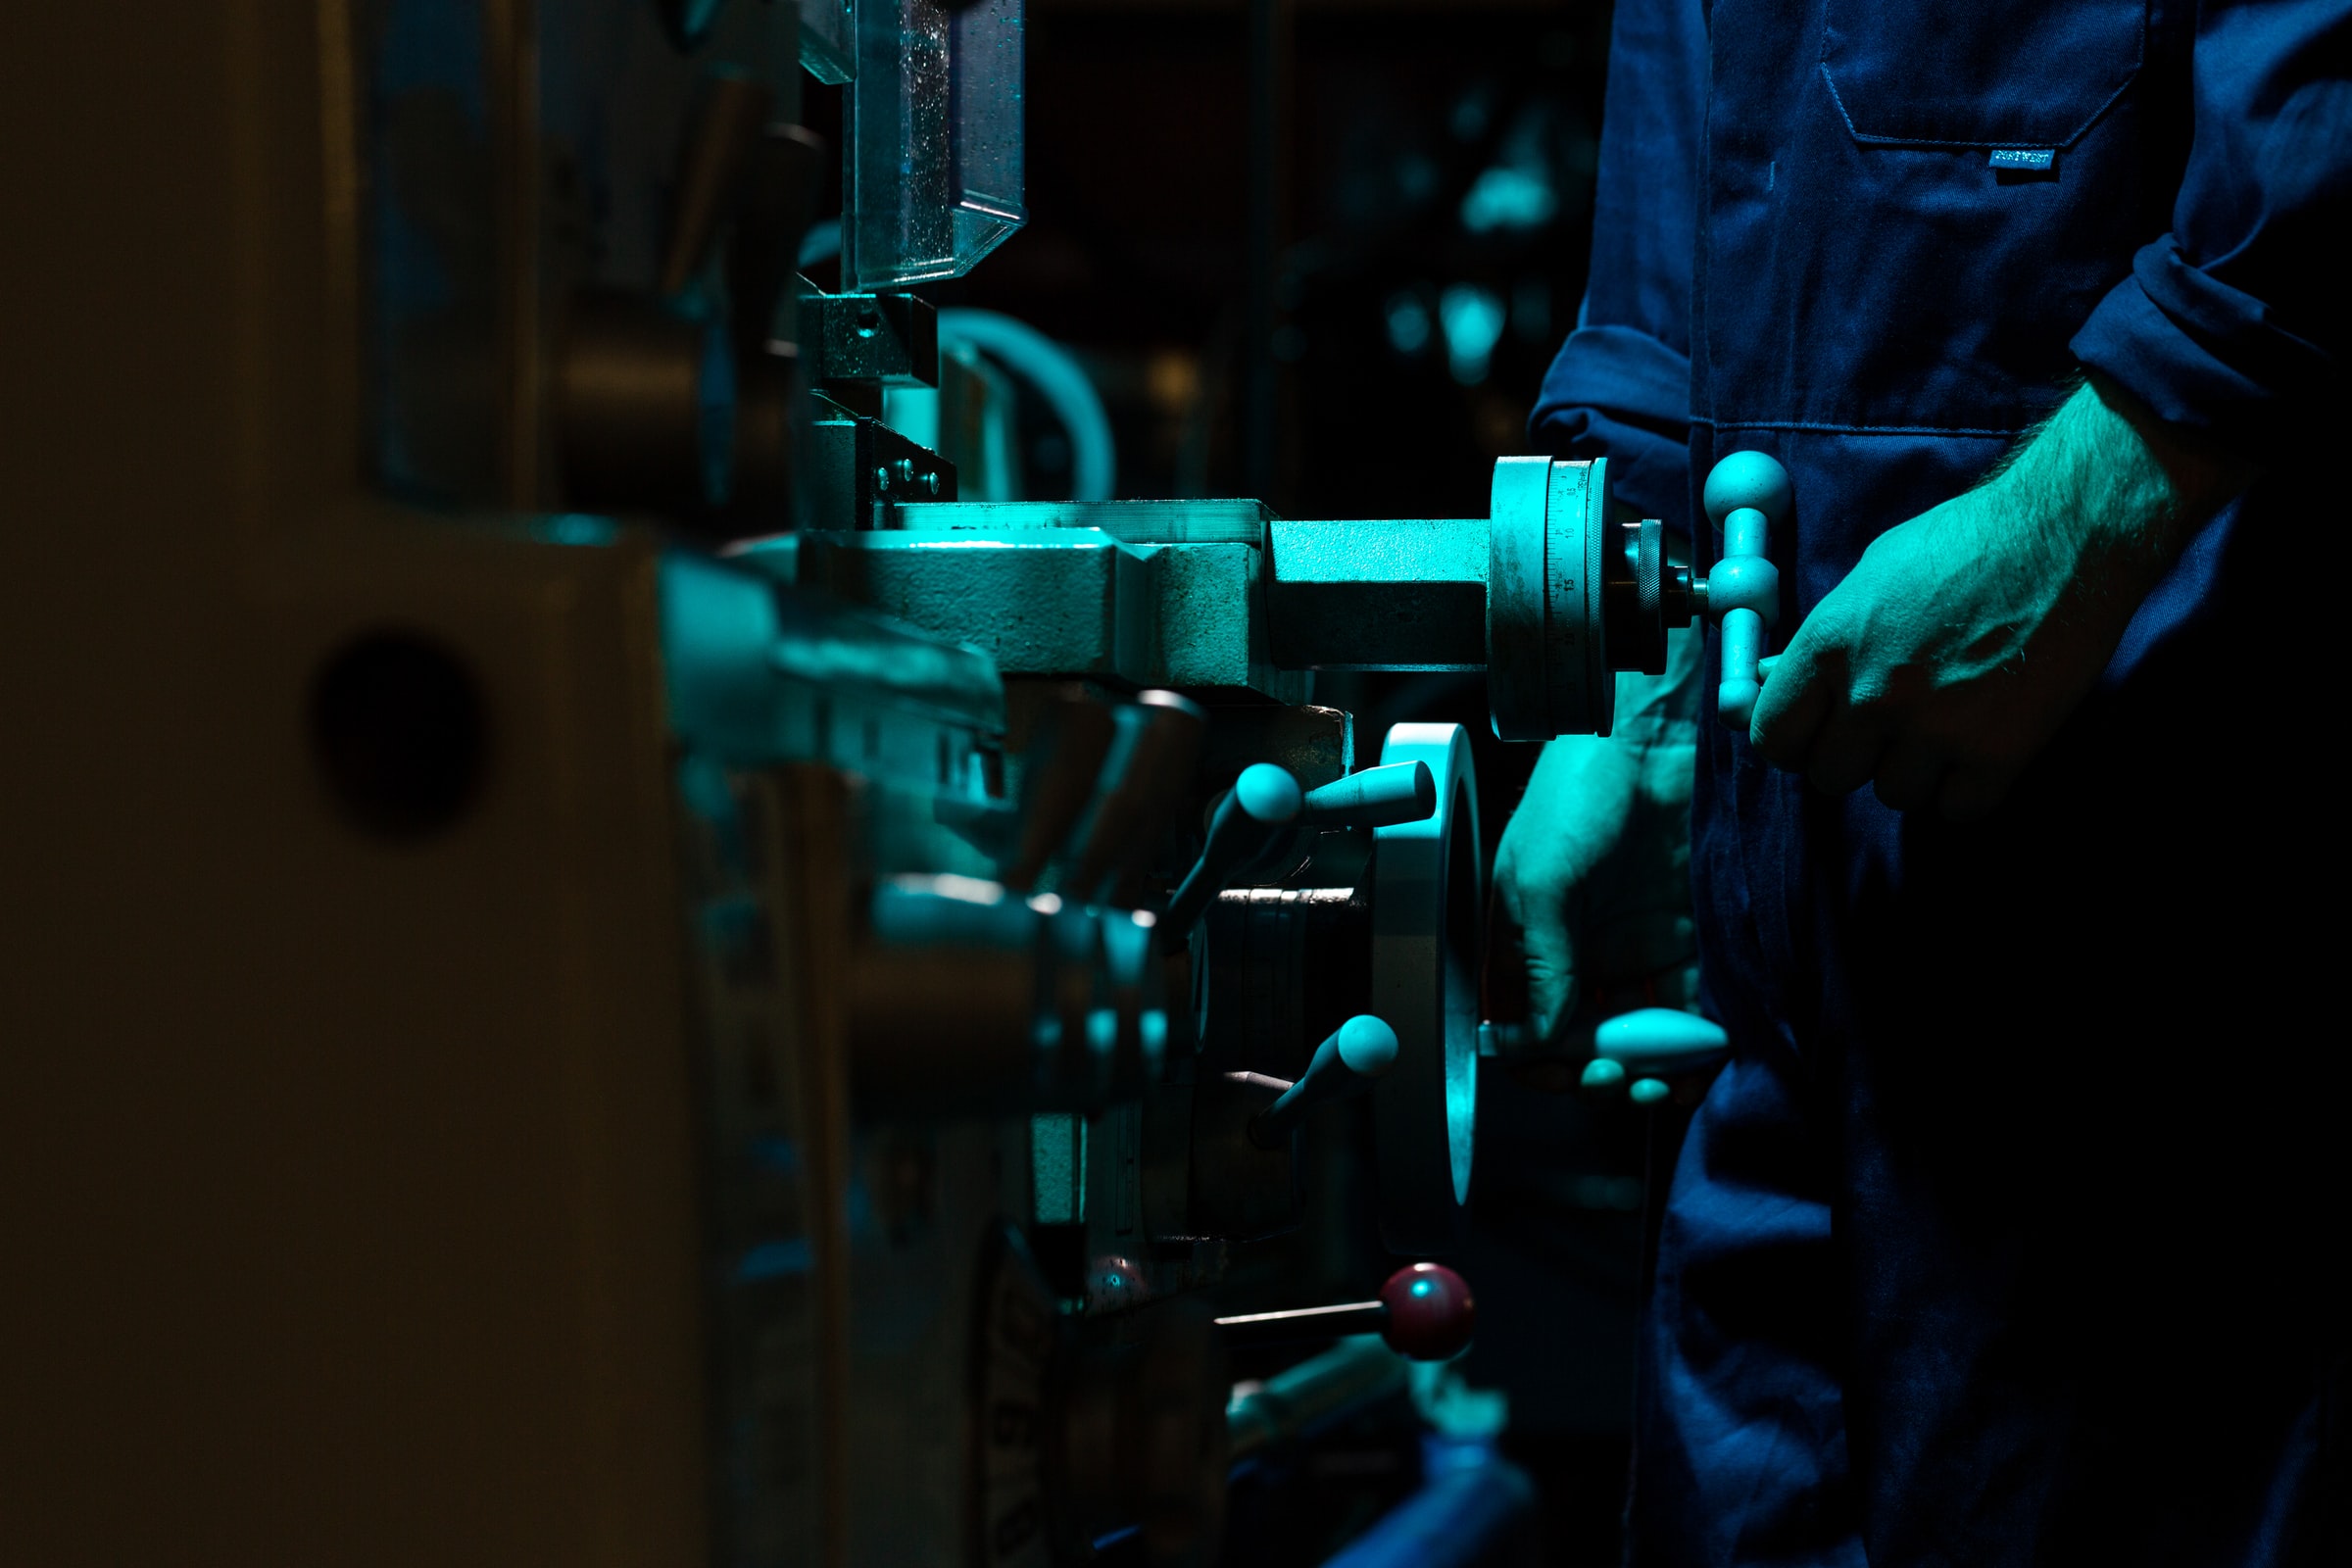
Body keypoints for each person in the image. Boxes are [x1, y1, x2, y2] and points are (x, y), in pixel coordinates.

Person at [1494, 0, 2350, 1560]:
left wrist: (2112, 488)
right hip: (1775, 939)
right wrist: (1631, 692)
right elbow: (1681, 176)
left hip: (2172, 900)